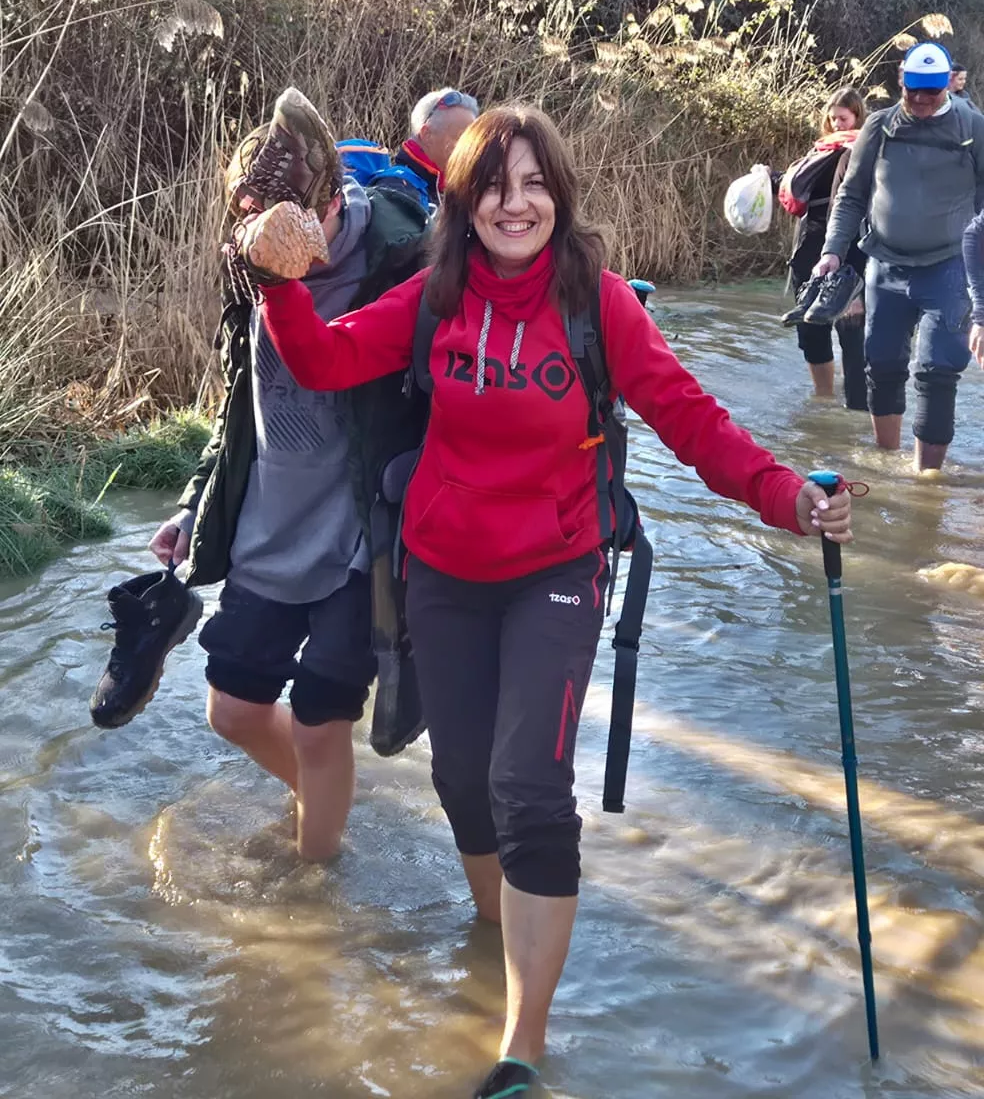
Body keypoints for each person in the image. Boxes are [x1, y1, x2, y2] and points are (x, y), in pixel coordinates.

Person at [237, 104, 852, 1099]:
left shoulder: (598, 304)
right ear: (464, 201)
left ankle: (520, 1045)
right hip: (440, 568)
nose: (514, 202)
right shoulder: (434, 295)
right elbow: (325, 359)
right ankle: (498, 930)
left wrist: (789, 496)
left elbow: (691, 420)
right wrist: (279, 282)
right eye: (493, 185)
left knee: (528, 786)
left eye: (533, 184)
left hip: (557, 569)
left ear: (558, 197)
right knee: (462, 784)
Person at [106, 90, 427, 861]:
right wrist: (195, 507)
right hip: (268, 523)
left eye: (290, 219)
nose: (274, 241)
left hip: (360, 536)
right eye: (254, 224)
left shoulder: (401, 260)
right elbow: (236, 412)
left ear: (327, 202)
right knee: (233, 710)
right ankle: (323, 797)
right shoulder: (244, 268)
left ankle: (318, 872)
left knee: (322, 720)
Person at [815, 42, 984, 472]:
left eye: (932, 91)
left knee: (935, 370)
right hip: (886, 266)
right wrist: (833, 251)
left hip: (949, 268)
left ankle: (926, 482)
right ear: (900, 82)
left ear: (948, 83)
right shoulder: (879, 127)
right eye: (914, 91)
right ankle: (887, 462)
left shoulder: (973, 128)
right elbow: (852, 195)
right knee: (883, 363)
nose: (923, 100)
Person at [779, 88, 867, 408]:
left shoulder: (868, 153)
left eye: (843, 118)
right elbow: (795, 188)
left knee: (853, 337)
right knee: (811, 335)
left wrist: (860, 279)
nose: (836, 124)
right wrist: (768, 177)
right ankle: (823, 404)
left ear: (858, 117)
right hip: (809, 252)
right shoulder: (819, 153)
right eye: (831, 119)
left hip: (851, 256)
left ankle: (857, 410)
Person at [394, 87, 480, 205]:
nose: (471, 148)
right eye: (461, 138)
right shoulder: (397, 189)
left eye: (473, 140)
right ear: (427, 134)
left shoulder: (451, 190)